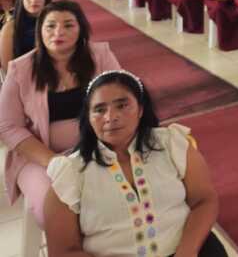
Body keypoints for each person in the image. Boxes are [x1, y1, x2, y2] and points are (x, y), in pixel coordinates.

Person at [44, 70, 227, 257]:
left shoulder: (171, 144)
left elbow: (204, 200)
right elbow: (62, 252)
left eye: (122, 105)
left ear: (140, 109)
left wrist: (187, 250)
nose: (110, 117)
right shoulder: (71, 171)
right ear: (89, 118)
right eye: (99, 110)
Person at [0, 0, 120, 227]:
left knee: (118, 199)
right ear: (40, 30)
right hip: (39, 158)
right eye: (51, 26)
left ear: (81, 29)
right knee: (58, 207)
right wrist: (53, 161)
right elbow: (7, 126)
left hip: (98, 149)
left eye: (68, 25)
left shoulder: (100, 56)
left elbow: (123, 98)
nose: (58, 32)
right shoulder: (20, 69)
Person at [0, 0, 52, 72]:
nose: (34, 0)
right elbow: (7, 66)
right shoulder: (10, 27)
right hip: (20, 74)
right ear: (21, 0)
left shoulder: (53, 23)